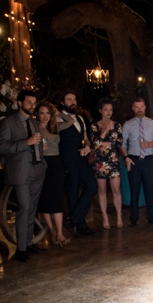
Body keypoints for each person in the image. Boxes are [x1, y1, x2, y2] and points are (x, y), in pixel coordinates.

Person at [0, 90, 49, 262]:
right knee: (24, 207)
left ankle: (29, 242)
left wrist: (40, 153)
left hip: (37, 170)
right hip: (20, 171)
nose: (32, 106)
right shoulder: (8, 123)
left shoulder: (33, 122)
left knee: (32, 208)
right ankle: (21, 248)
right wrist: (25, 143)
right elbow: (1, 147)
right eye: (29, 103)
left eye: (34, 103)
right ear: (19, 103)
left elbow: (37, 142)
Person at [58, 91, 98, 237]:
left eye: (74, 99)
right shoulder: (57, 119)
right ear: (62, 103)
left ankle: (74, 219)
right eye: (68, 99)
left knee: (92, 186)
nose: (72, 101)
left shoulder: (80, 119)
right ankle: (80, 225)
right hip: (67, 160)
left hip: (81, 158)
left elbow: (85, 138)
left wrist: (88, 146)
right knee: (72, 193)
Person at [36, 101, 75, 246]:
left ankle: (59, 233)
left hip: (56, 165)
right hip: (42, 165)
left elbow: (70, 121)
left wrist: (58, 113)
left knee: (57, 200)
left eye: (47, 113)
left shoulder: (55, 126)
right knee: (46, 202)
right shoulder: (34, 129)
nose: (45, 116)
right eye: (42, 113)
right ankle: (52, 231)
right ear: (37, 115)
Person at [120, 97, 153, 228]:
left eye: (141, 107)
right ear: (133, 108)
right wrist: (126, 157)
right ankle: (133, 217)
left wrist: (150, 144)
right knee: (134, 189)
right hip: (133, 160)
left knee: (150, 188)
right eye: (136, 107)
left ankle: (151, 216)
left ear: (145, 107)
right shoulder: (128, 124)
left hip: (148, 160)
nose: (139, 109)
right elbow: (122, 144)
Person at [89, 98, 124, 229]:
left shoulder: (118, 125)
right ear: (100, 111)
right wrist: (104, 131)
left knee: (116, 189)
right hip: (100, 162)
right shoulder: (94, 126)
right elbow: (95, 144)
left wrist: (103, 143)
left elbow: (119, 143)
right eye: (105, 110)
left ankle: (119, 216)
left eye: (110, 110)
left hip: (113, 161)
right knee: (102, 190)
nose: (108, 112)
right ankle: (105, 216)